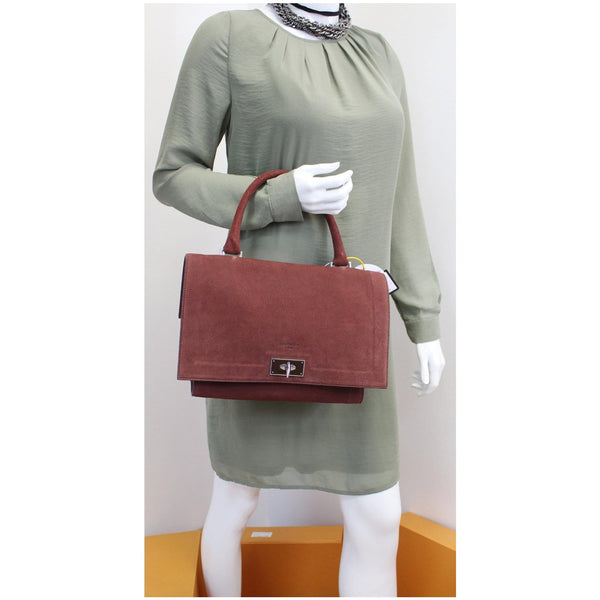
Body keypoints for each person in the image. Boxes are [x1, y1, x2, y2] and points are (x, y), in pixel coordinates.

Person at [153, 3, 445, 596]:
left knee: (377, 513)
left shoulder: (379, 54)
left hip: (351, 325)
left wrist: (423, 318)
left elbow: (401, 198)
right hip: (258, 320)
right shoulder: (229, 37)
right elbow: (173, 174)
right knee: (236, 497)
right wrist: (278, 196)